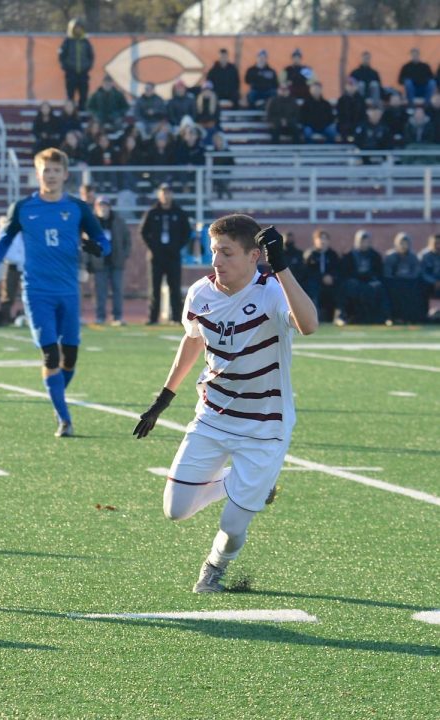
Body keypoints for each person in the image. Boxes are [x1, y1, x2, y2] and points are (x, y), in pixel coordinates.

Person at [132, 216, 318, 593]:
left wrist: (281, 266)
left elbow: (309, 324)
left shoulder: (271, 289)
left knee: (232, 527)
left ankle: (216, 565)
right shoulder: (201, 292)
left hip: (265, 427)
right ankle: (242, 484)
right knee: (175, 510)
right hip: (213, 417)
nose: (217, 260)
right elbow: (193, 339)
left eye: (227, 252)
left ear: (253, 256)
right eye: (214, 250)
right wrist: (164, 397)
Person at [0, 148, 111, 437]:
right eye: (45, 170)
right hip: (36, 291)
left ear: (65, 174)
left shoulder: (77, 208)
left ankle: (57, 397)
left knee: (70, 357)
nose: (50, 175)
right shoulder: (23, 207)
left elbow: (103, 239)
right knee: (50, 355)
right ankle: (64, 418)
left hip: (69, 292)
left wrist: (99, 247)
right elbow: (4, 240)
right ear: (37, 174)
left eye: (55, 170)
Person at [140, 183, 192, 325]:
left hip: (173, 256)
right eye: (163, 192)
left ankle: (176, 317)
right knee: (154, 288)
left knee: (174, 287)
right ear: (159, 194)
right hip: (156, 257)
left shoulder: (179, 212)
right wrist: (153, 247)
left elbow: (187, 232)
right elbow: (143, 232)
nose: (166, 195)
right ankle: (153, 318)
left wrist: (177, 246)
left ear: (172, 194)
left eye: (168, 192)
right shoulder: (152, 212)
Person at [88, 195, 131, 326]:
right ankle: (100, 316)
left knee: (117, 290)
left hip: (115, 261)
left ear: (109, 207)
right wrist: (89, 260)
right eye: (100, 205)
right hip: (99, 262)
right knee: (100, 291)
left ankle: (117, 316)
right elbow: (86, 242)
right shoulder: (91, 222)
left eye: (105, 205)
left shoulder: (118, 221)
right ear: (96, 207)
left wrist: (124, 255)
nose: (103, 208)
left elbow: (127, 240)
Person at [335, 229, 390, 325]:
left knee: (379, 287)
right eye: (361, 241)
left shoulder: (375, 255)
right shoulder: (349, 255)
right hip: (354, 282)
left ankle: (385, 317)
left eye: (366, 241)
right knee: (346, 287)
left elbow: (379, 273)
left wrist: (372, 279)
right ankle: (342, 317)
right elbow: (344, 273)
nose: (364, 243)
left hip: (370, 282)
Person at [384, 232, 425, 323]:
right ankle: (393, 317)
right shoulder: (390, 257)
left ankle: (413, 317)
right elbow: (387, 274)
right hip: (394, 284)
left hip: (409, 283)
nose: (403, 246)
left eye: (406, 243)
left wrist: (406, 279)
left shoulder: (413, 257)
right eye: (401, 243)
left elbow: (416, 273)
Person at [302, 228, 341, 322]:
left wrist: (332, 277)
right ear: (315, 241)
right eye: (320, 238)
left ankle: (339, 316)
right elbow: (306, 272)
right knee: (312, 289)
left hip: (330, 283)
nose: (322, 241)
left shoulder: (333, 255)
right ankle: (314, 317)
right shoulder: (310, 255)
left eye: (325, 238)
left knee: (341, 289)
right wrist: (321, 278)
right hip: (315, 283)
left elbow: (337, 269)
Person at [58, 18, 94, 111]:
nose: (78, 30)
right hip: (71, 73)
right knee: (70, 96)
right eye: (76, 28)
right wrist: (66, 67)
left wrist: (88, 67)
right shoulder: (67, 41)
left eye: (80, 28)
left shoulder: (85, 42)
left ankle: (83, 115)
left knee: (84, 96)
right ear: (71, 29)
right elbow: (61, 55)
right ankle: (71, 115)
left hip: (83, 74)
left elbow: (91, 55)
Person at [336, 77, 367, 143]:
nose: (351, 87)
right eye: (349, 85)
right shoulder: (341, 100)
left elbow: (363, 115)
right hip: (345, 126)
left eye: (353, 85)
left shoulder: (361, 100)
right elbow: (340, 116)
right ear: (346, 87)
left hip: (358, 125)